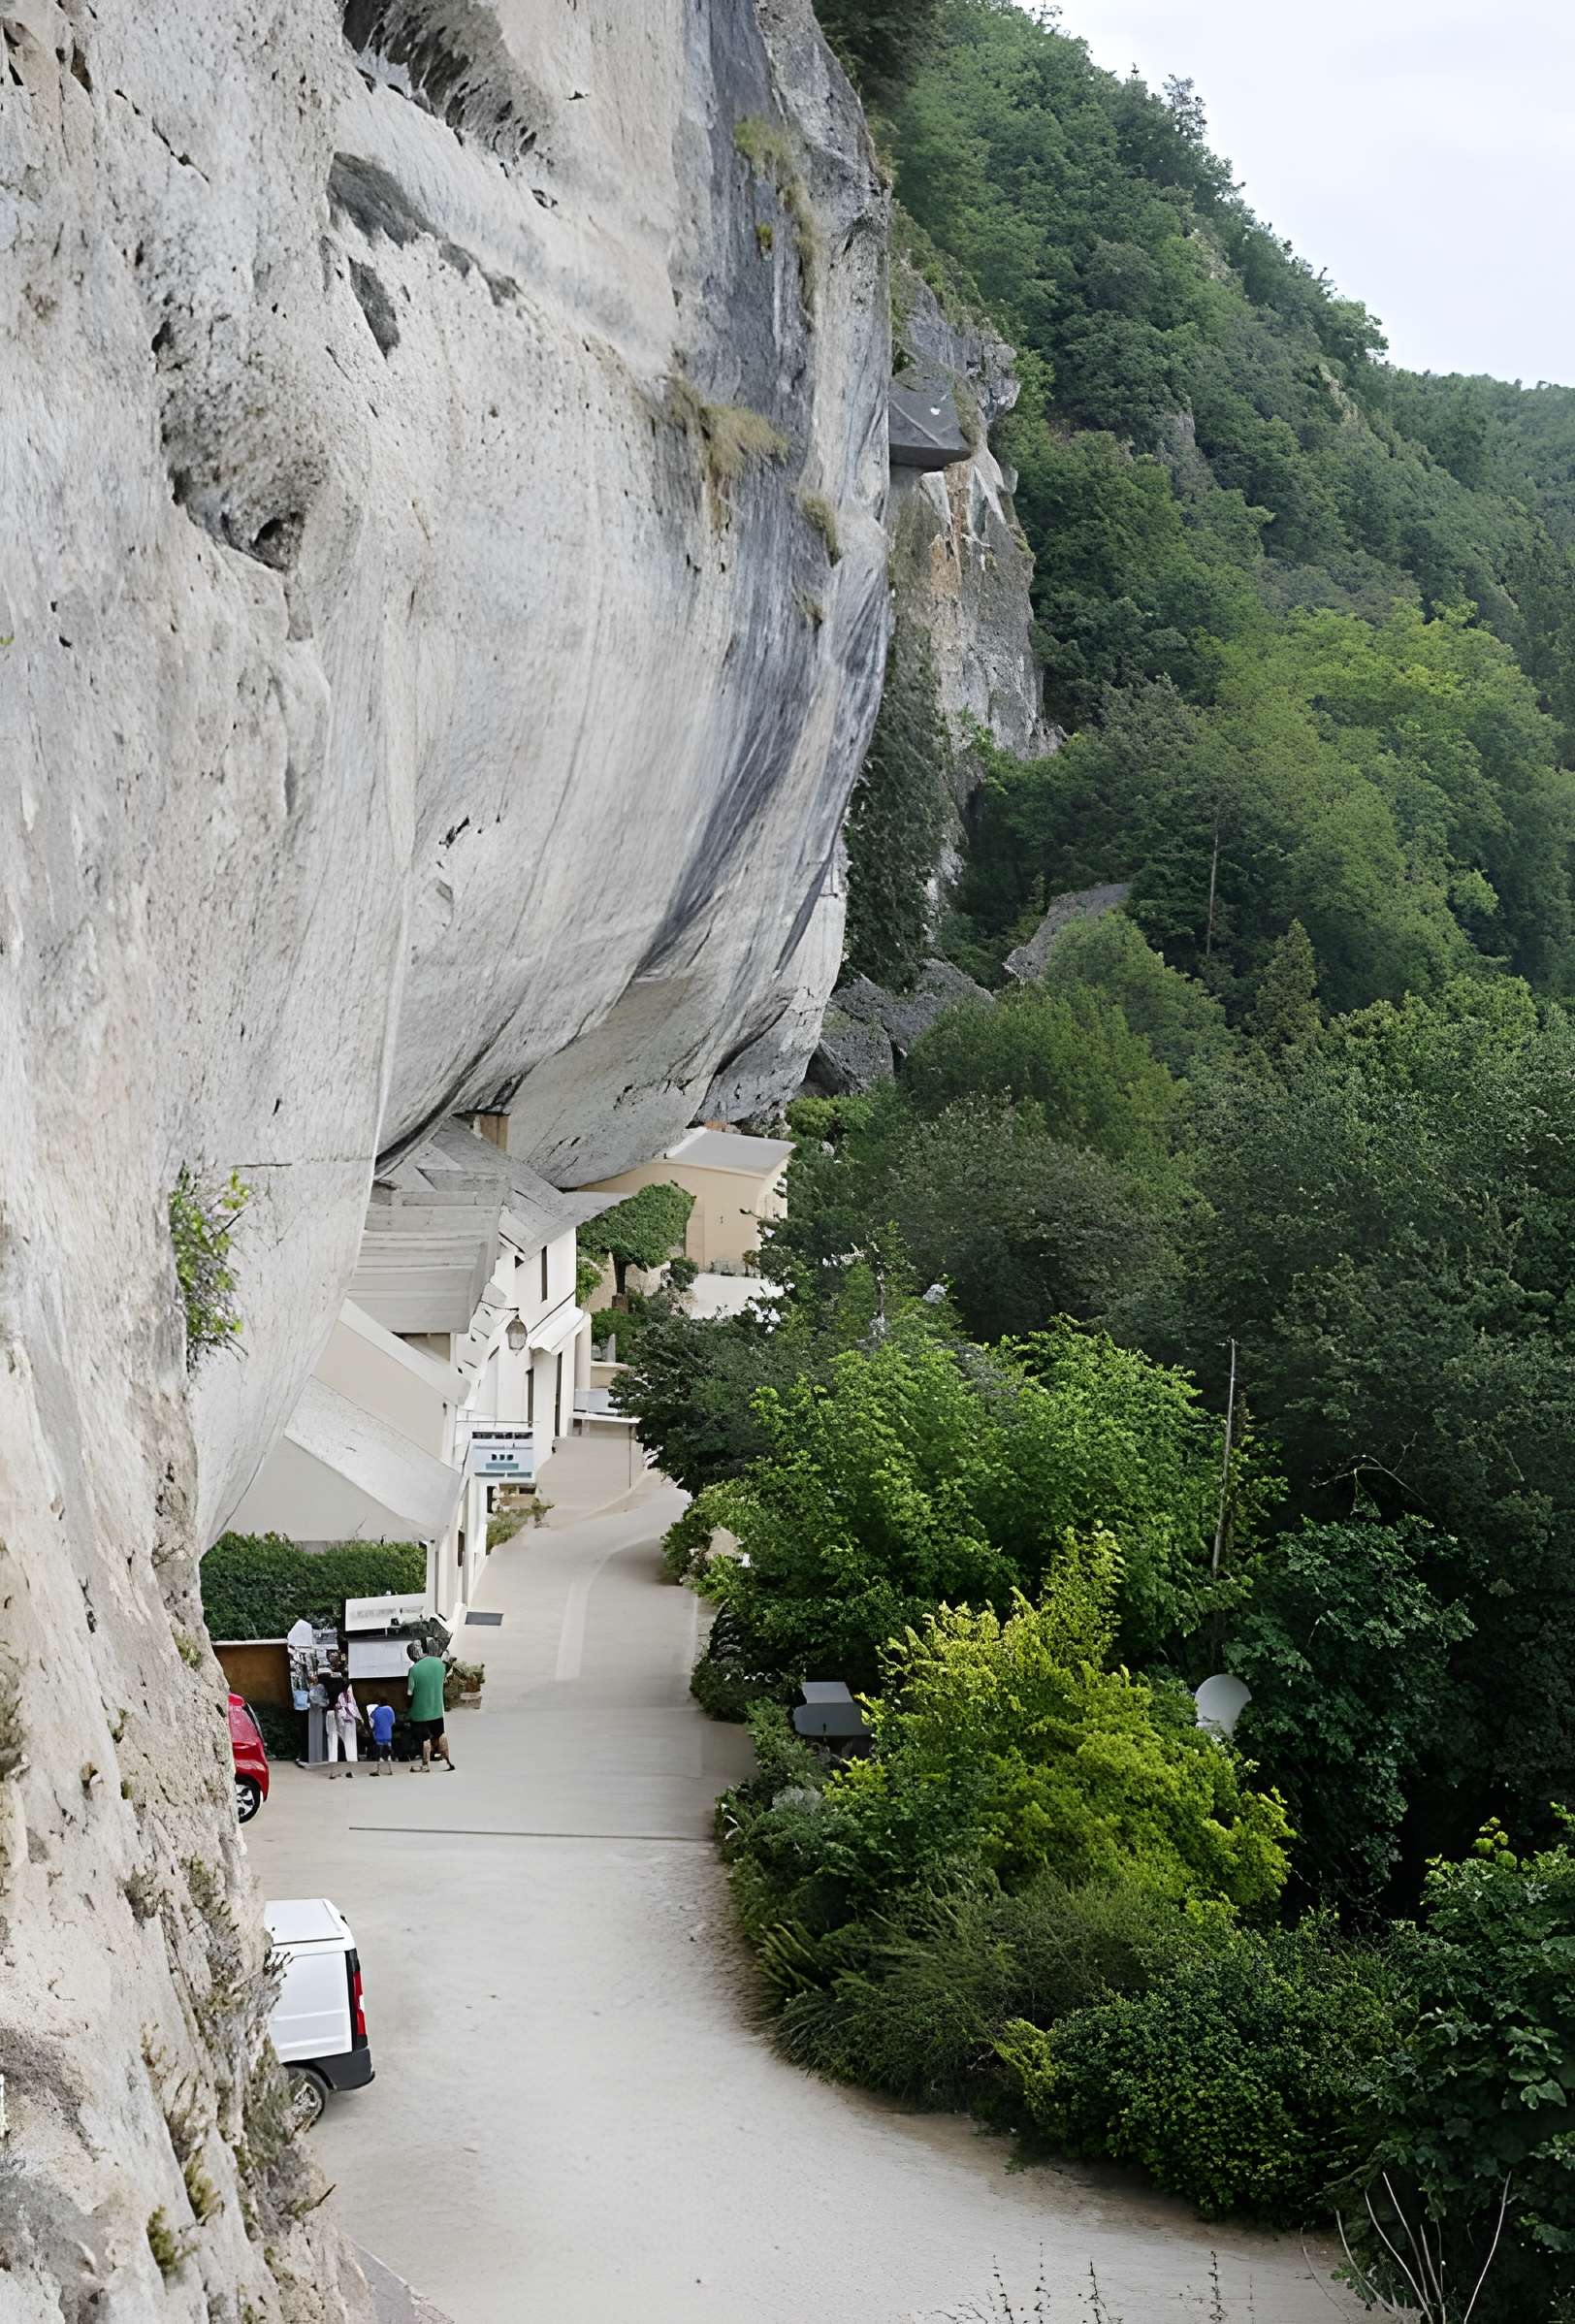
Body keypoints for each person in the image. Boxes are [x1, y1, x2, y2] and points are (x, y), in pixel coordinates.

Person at [405, 1640, 455, 1772]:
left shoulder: (414, 1669)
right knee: (440, 1734)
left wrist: (408, 1708)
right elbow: (443, 1682)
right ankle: (447, 1761)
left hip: (420, 1712)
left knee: (424, 1738)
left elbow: (409, 1693)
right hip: (437, 1709)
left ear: (413, 1655)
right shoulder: (439, 1663)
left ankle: (425, 1764)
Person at [323, 1656, 363, 1779]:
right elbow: (352, 1702)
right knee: (350, 1741)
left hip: (331, 1712)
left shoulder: (326, 1681)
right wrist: (359, 1717)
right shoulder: (347, 1684)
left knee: (332, 1741)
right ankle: (352, 1771)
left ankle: (332, 1772)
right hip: (347, 1714)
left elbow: (322, 1700)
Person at [367, 1696, 396, 1776]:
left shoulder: (374, 1714)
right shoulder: (389, 1709)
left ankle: (378, 1770)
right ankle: (390, 1770)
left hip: (379, 1737)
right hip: (388, 1735)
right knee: (389, 1753)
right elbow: (392, 1722)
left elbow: (373, 1727)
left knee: (379, 1754)